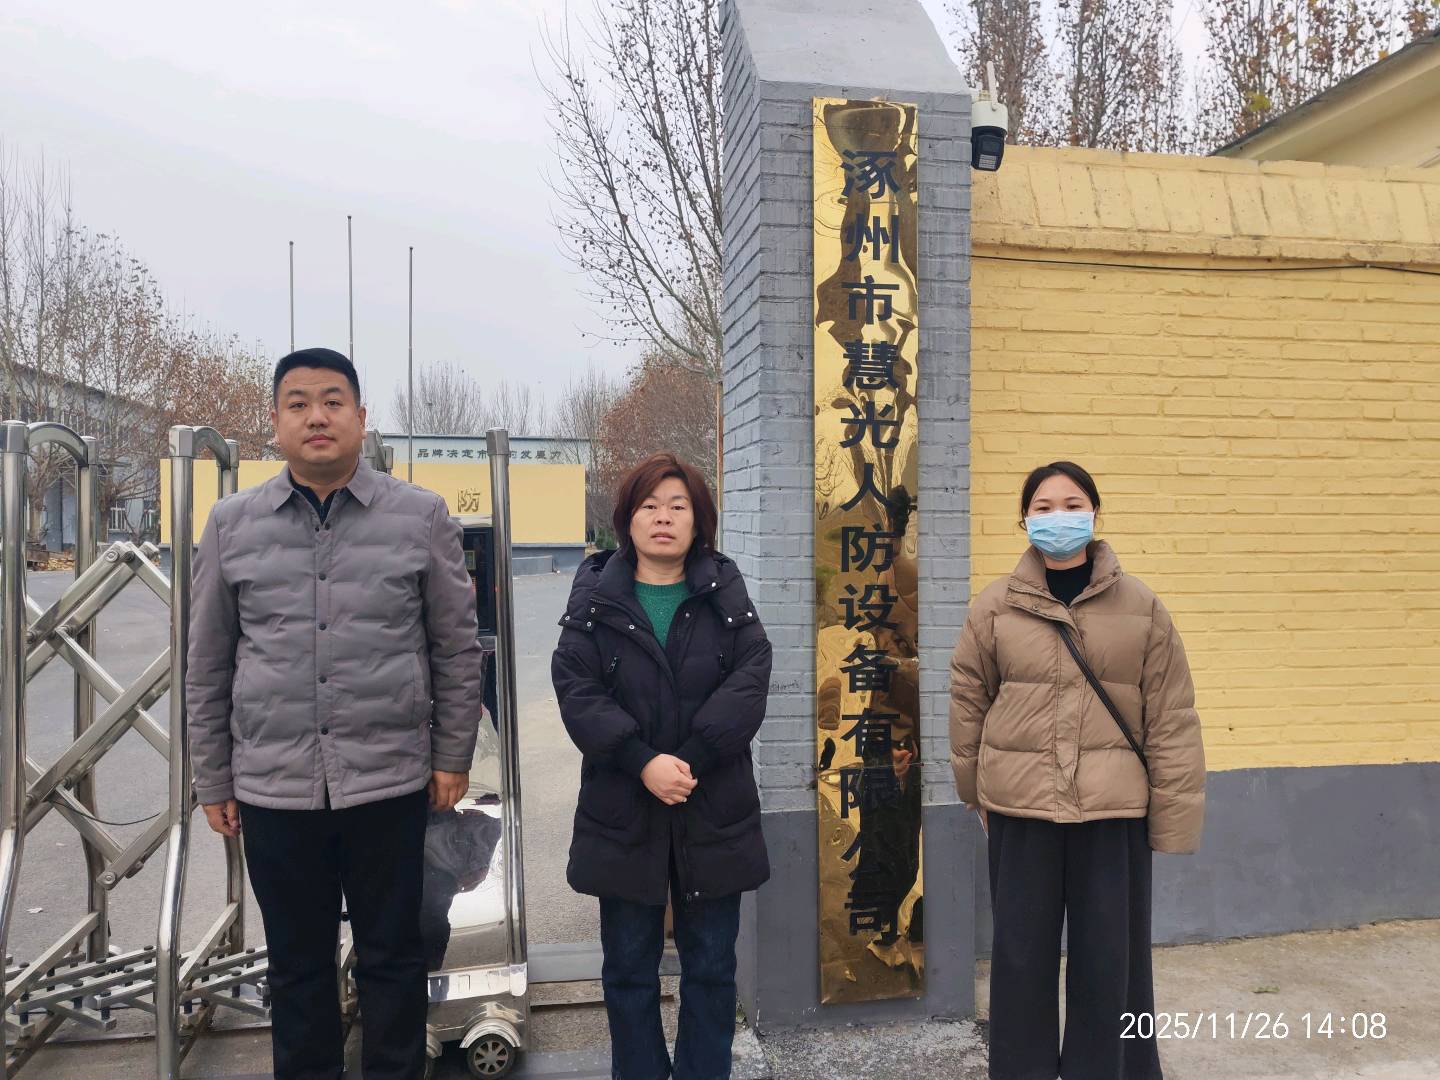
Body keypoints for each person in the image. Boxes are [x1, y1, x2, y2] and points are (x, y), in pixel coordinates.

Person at [186, 347, 482, 1080]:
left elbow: (455, 646)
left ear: (360, 416)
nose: (316, 416)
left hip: (389, 782)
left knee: (394, 956)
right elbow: (208, 661)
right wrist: (213, 777)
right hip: (274, 789)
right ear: (276, 421)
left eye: (332, 401)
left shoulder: (419, 516)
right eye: (298, 403)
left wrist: (453, 754)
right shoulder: (231, 524)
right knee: (297, 966)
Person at [949, 461, 1206, 1080]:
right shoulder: (995, 606)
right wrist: (974, 793)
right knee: (1020, 960)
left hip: (1112, 814)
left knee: (1112, 962)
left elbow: (1171, 716)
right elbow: (968, 701)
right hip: (1022, 810)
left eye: (1071, 505)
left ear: (1094, 514)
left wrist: (1172, 820)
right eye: (1043, 507)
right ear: (1024, 519)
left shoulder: (1142, 606)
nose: (1058, 517)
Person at [552, 452, 771, 1080]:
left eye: (678, 506)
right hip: (624, 807)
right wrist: (643, 761)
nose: (664, 518)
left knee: (711, 968)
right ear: (628, 518)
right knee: (627, 969)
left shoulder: (724, 590)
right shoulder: (597, 596)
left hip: (712, 803)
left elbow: (751, 677)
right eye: (649, 506)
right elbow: (576, 688)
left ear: (699, 519)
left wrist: (690, 759)